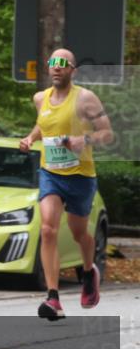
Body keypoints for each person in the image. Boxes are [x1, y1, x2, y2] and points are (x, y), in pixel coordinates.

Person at [19, 49, 113, 320]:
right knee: (48, 229)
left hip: (80, 175)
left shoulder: (85, 98)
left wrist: (85, 140)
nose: (57, 67)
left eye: (63, 63)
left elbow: (107, 133)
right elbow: (43, 125)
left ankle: (89, 271)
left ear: (73, 70)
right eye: (52, 62)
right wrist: (30, 138)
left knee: (78, 232)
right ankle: (53, 298)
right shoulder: (40, 98)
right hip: (51, 173)